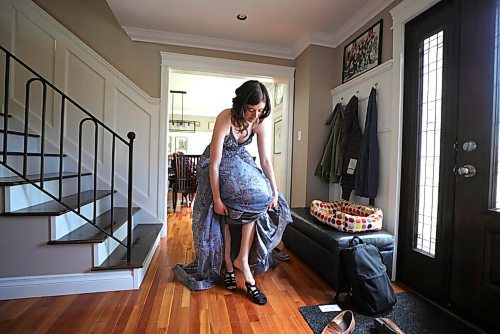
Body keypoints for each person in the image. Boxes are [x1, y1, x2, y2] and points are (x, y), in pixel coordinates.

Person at [173, 80, 292, 305]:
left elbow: (266, 160)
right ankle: (229, 263)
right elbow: (215, 162)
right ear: (241, 104)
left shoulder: (258, 121)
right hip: (215, 164)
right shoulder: (226, 117)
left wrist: (274, 192)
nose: (255, 115)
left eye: (260, 110)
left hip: (237, 159)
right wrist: (216, 198)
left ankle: (241, 260)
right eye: (251, 109)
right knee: (227, 206)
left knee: (262, 196)